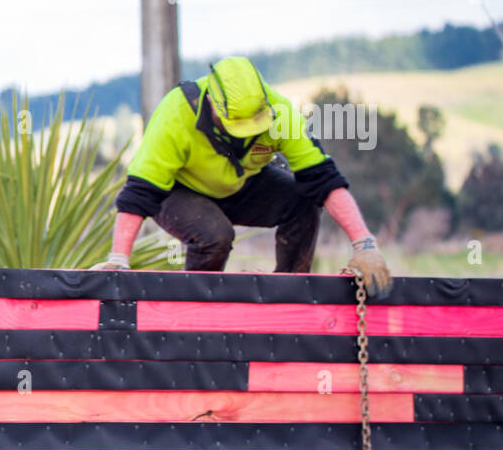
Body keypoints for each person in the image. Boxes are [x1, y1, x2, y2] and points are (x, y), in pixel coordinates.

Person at [93, 56, 392, 297]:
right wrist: (119, 259)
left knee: (303, 200)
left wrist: (364, 243)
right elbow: (140, 192)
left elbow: (324, 178)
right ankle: (195, 303)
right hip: (177, 193)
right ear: (213, 104)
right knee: (215, 235)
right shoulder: (175, 114)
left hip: (241, 185)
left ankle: (289, 293)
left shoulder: (280, 112)